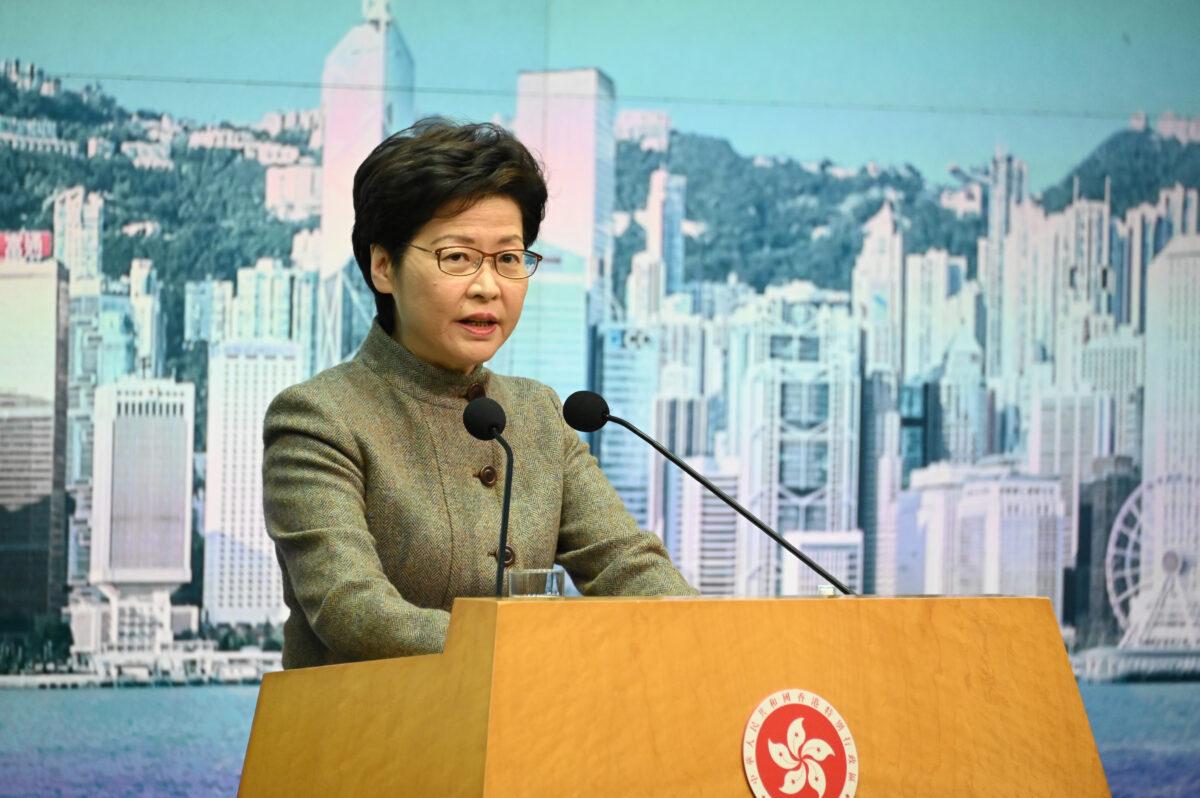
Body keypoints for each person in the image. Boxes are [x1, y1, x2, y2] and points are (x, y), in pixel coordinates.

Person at [262, 118, 697, 669]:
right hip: (375, 721)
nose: (488, 286)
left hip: (528, 718)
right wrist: (535, 650)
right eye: (457, 257)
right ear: (383, 266)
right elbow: (353, 611)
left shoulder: (537, 413)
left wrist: (710, 633)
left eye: (509, 259)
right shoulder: (320, 418)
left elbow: (626, 565)